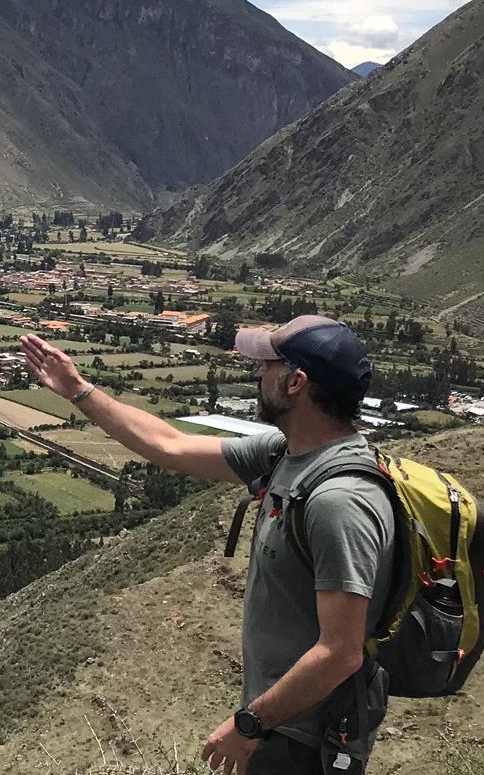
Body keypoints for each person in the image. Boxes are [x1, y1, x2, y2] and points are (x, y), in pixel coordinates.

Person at [20, 315, 392, 774]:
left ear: (296, 383)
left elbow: (341, 652)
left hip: (307, 740)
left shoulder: (339, 500)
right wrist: (78, 389)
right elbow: (168, 445)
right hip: (283, 727)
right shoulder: (284, 453)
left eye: (268, 366)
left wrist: (250, 724)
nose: (258, 374)